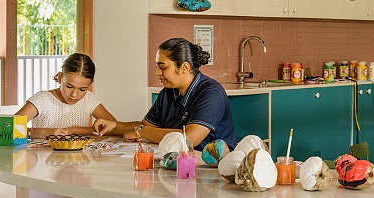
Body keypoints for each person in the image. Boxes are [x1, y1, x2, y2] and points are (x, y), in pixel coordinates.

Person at [94, 37, 236, 150]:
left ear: (184, 68)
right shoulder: (168, 92)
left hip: (211, 167)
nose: (157, 72)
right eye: (157, 66)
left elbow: (190, 139)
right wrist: (114, 126)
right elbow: (145, 126)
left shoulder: (211, 93)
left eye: (162, 67)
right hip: (177, 160)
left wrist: (141, 132)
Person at [16, 53, 117, 138]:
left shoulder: (89, 99)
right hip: (42, 159)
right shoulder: (42, 100)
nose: (74, 94)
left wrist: (73, 130)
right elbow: (6, 128)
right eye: (69, 86)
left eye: (82, 89)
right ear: (60, 78)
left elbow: (115, 128)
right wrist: (45, 133)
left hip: (78, 159)